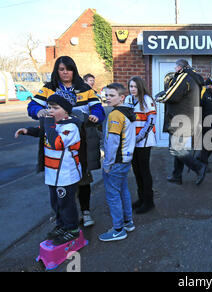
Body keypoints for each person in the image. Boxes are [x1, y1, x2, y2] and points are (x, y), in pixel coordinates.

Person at [28, 56, 105, 228]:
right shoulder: (49, 88)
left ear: (73, 70)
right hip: (55, 140)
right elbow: (32, 106)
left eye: (68, 69)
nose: (65, 72)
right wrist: (38, 111)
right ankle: (63, 216)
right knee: (59, 181)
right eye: (61, 69)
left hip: (80, 140)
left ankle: (85, 212)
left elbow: (98, 108)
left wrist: (96, 116)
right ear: (57, 71)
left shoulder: (84, 88)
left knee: (83, 176)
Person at [16, 92, 82, 245]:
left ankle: (72, 229)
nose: (50, 111)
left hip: (66, 175)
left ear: (66, 110)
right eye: (49, 107)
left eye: (55, 108)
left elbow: (56, 143)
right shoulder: (54, 124)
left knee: (66, 203)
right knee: (56, 203)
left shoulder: (71, 127)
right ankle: (62, 225)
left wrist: (49, 124)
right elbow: (42, 131)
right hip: (52, 173)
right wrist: (28, 130)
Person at [156, 59, 207, 186]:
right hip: (187, 118)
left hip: (179, 119)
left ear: (180, 67)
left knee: (176, 149)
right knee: (179, 148)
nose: (174, 69)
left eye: (175, 67)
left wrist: (159, 97)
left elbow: (172, 95)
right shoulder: (194, 78)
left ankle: (198, 167)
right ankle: (176, 175)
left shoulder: (184, 76)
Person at [99, 83, 136, 242]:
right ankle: (128, 222)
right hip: (126, 159)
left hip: (116, 161)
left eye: (111, 95)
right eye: (106, 95)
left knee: (113, 195)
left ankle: (118, 229)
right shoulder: (128, 111)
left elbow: (113, 142)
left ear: (121, 97)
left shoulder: (116, 115)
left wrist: (107, 163)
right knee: (123, 191)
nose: (108, 98)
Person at [127, 76, 157, 214]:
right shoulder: (128, 100)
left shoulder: (146, 99)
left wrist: (139, 137)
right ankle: (141, 199)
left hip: (144, 142)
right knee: (136, 171)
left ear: (140, 86)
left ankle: (149, 202)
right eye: (130, 86)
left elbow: (151, 121)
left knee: (144, 171)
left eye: (135, 86)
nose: (132, 89)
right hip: (132, 142)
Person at [197, 77, 212, 167]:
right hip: (206, 123)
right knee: (206, 145)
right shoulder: (203, 94)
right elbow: (198, 107)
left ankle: (200, 159)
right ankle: (203, 165)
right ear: (209, 86)